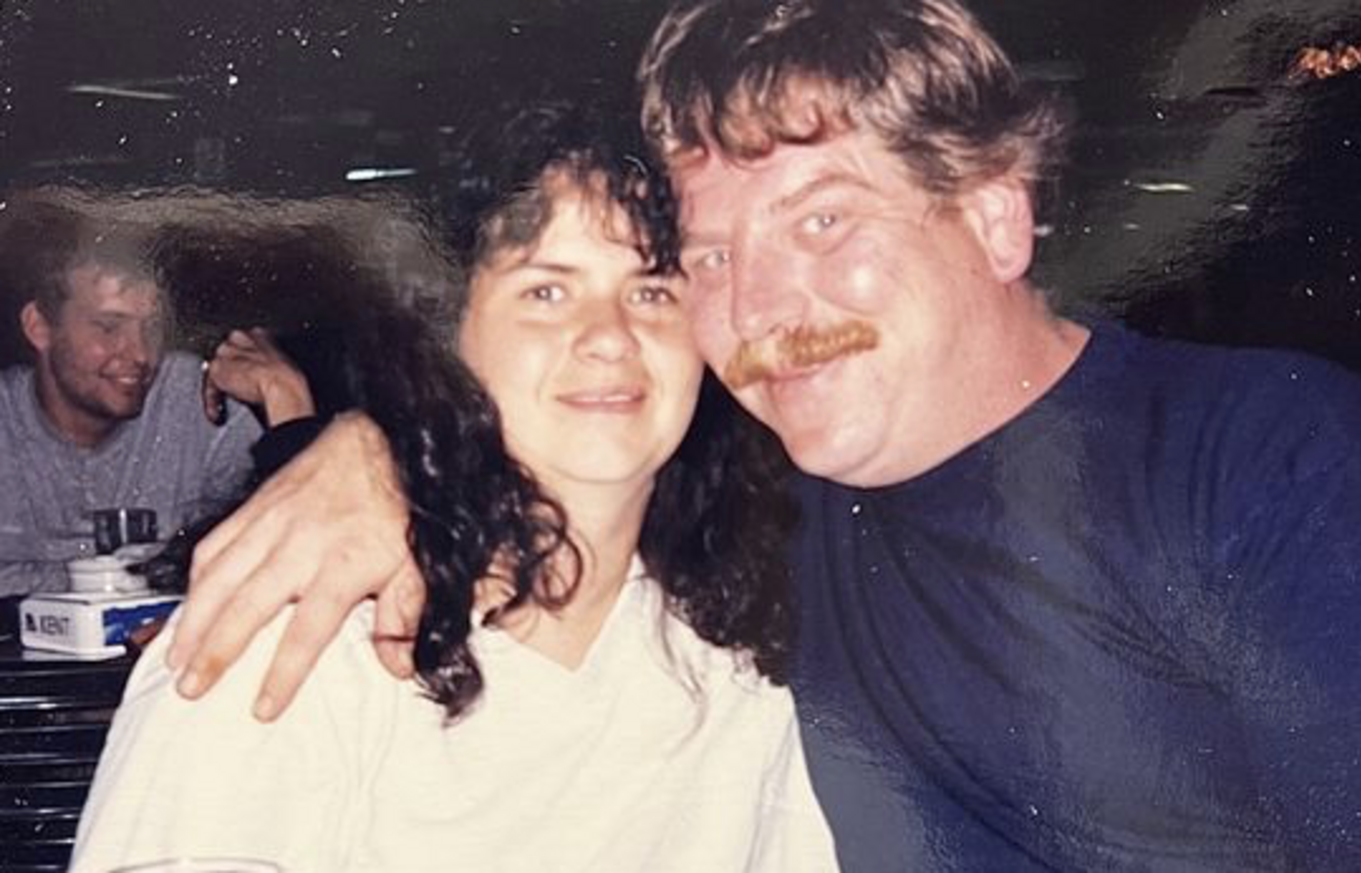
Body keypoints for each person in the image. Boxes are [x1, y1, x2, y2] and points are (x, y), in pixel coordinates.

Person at [164, 1, 1361, 870]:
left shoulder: (1264, 464)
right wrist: (378, 449)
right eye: (707, 258)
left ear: (993, 219)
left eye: (819, 223)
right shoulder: (760, 528)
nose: (756, 307)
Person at [72, 100, 837, 873]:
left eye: (651, 291)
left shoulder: (739, 660)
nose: (610, 336)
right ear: (451, 336)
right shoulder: (294, 628)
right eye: (547, 291)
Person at [0, 196, 267, 595]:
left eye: (152, 327)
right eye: (109, 327)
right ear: (39, 327)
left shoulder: (200, 400)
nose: (141, 354)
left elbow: (278, 548)